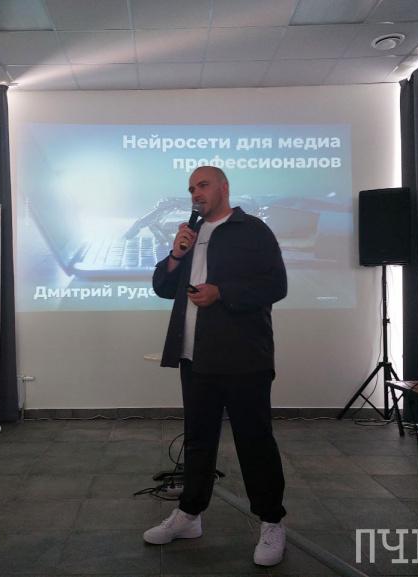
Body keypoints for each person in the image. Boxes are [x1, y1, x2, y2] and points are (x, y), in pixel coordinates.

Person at [144, 166, 288, 567]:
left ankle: (272, 522)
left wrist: (222, 293)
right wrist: (177, 253)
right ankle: (190, 515)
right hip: (196, 357)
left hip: (244, 359)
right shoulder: (190, 234)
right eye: (191, 188)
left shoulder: (253, 231)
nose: (196, 193)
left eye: (203, 185)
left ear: (224, 187)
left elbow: (276, 285)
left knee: (254, 442)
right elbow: (162, 286)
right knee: (198, 441)